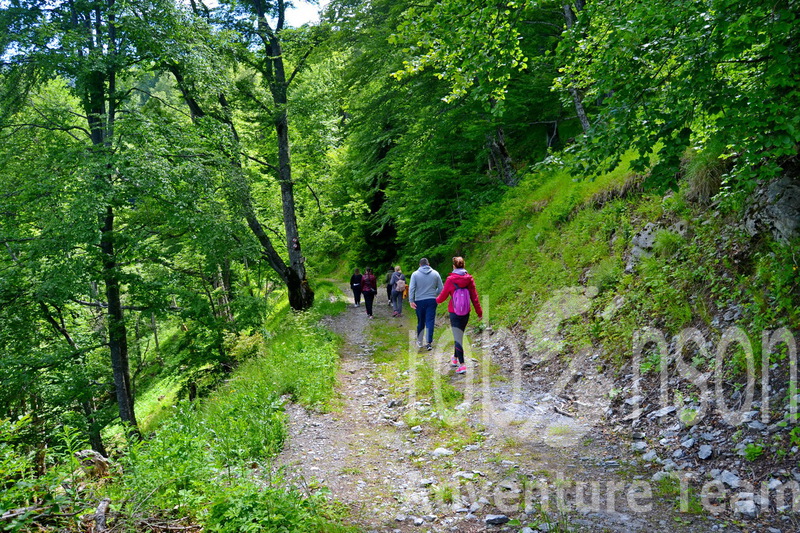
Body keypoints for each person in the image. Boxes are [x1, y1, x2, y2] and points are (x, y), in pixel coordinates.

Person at [436, 256, 482, 374]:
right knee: (459, 335)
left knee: (458, 337)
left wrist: (435, 300)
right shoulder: (469, 279)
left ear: (454, 266)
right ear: (463, 265)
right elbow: (474, 297)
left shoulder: (451, 279)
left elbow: (443, 296)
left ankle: (462, 365)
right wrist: (479, 312)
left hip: (454, 312)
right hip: (466, 312)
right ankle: (455, 359)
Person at [409, 258, 443, 351]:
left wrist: (411, 300)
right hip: (432, 300)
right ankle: (429, 343)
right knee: (430, 321)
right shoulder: (435, 273)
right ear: (428, 264)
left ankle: (420, 341)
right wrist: (434, 294)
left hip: (419, 300)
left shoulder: (415, 274)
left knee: (421, 321)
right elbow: (441, 288)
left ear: (420, 265)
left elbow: (412, 288)